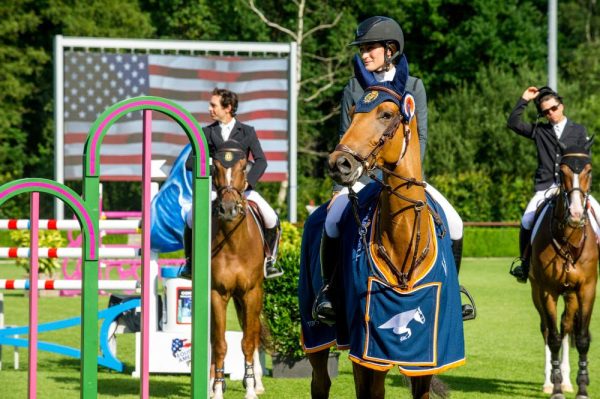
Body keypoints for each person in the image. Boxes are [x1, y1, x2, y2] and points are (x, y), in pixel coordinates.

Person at [312, 16, 465, 324]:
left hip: (403, 178)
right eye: (362, 49)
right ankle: (330, 292)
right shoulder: (354, 88)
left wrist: (398, 176)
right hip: (361, 177)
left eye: (370, 48)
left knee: (456, 222)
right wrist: (350, 181)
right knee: (331, 221)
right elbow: (346, 136)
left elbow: (420, 137)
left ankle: (452, 292)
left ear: (390, 50)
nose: (364, 54)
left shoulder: (413, 87)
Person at [179, 88, 283, 280]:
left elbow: (261, 161)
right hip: (214, 190)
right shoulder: (206, 133)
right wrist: (218, 172)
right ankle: (189, 262)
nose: (210, 108)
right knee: (190, 218)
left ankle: (270, 260)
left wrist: (247, 183)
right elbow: (190, 162)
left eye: (213, 105)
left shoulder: (247, 132)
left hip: (242, 190)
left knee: (271, 218)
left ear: (227, 107)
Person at [508, 85, 600, 283]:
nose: (551, 113)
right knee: (526, 220)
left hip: (574, 187)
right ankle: (524, 264)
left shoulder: (578, 130)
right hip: (546, 187)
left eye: (554, 108)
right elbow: (513, 123)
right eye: (546, 112)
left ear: (562, 106)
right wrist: (524, 99)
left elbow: (585, 162)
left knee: (599, 215)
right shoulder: (539, 131)